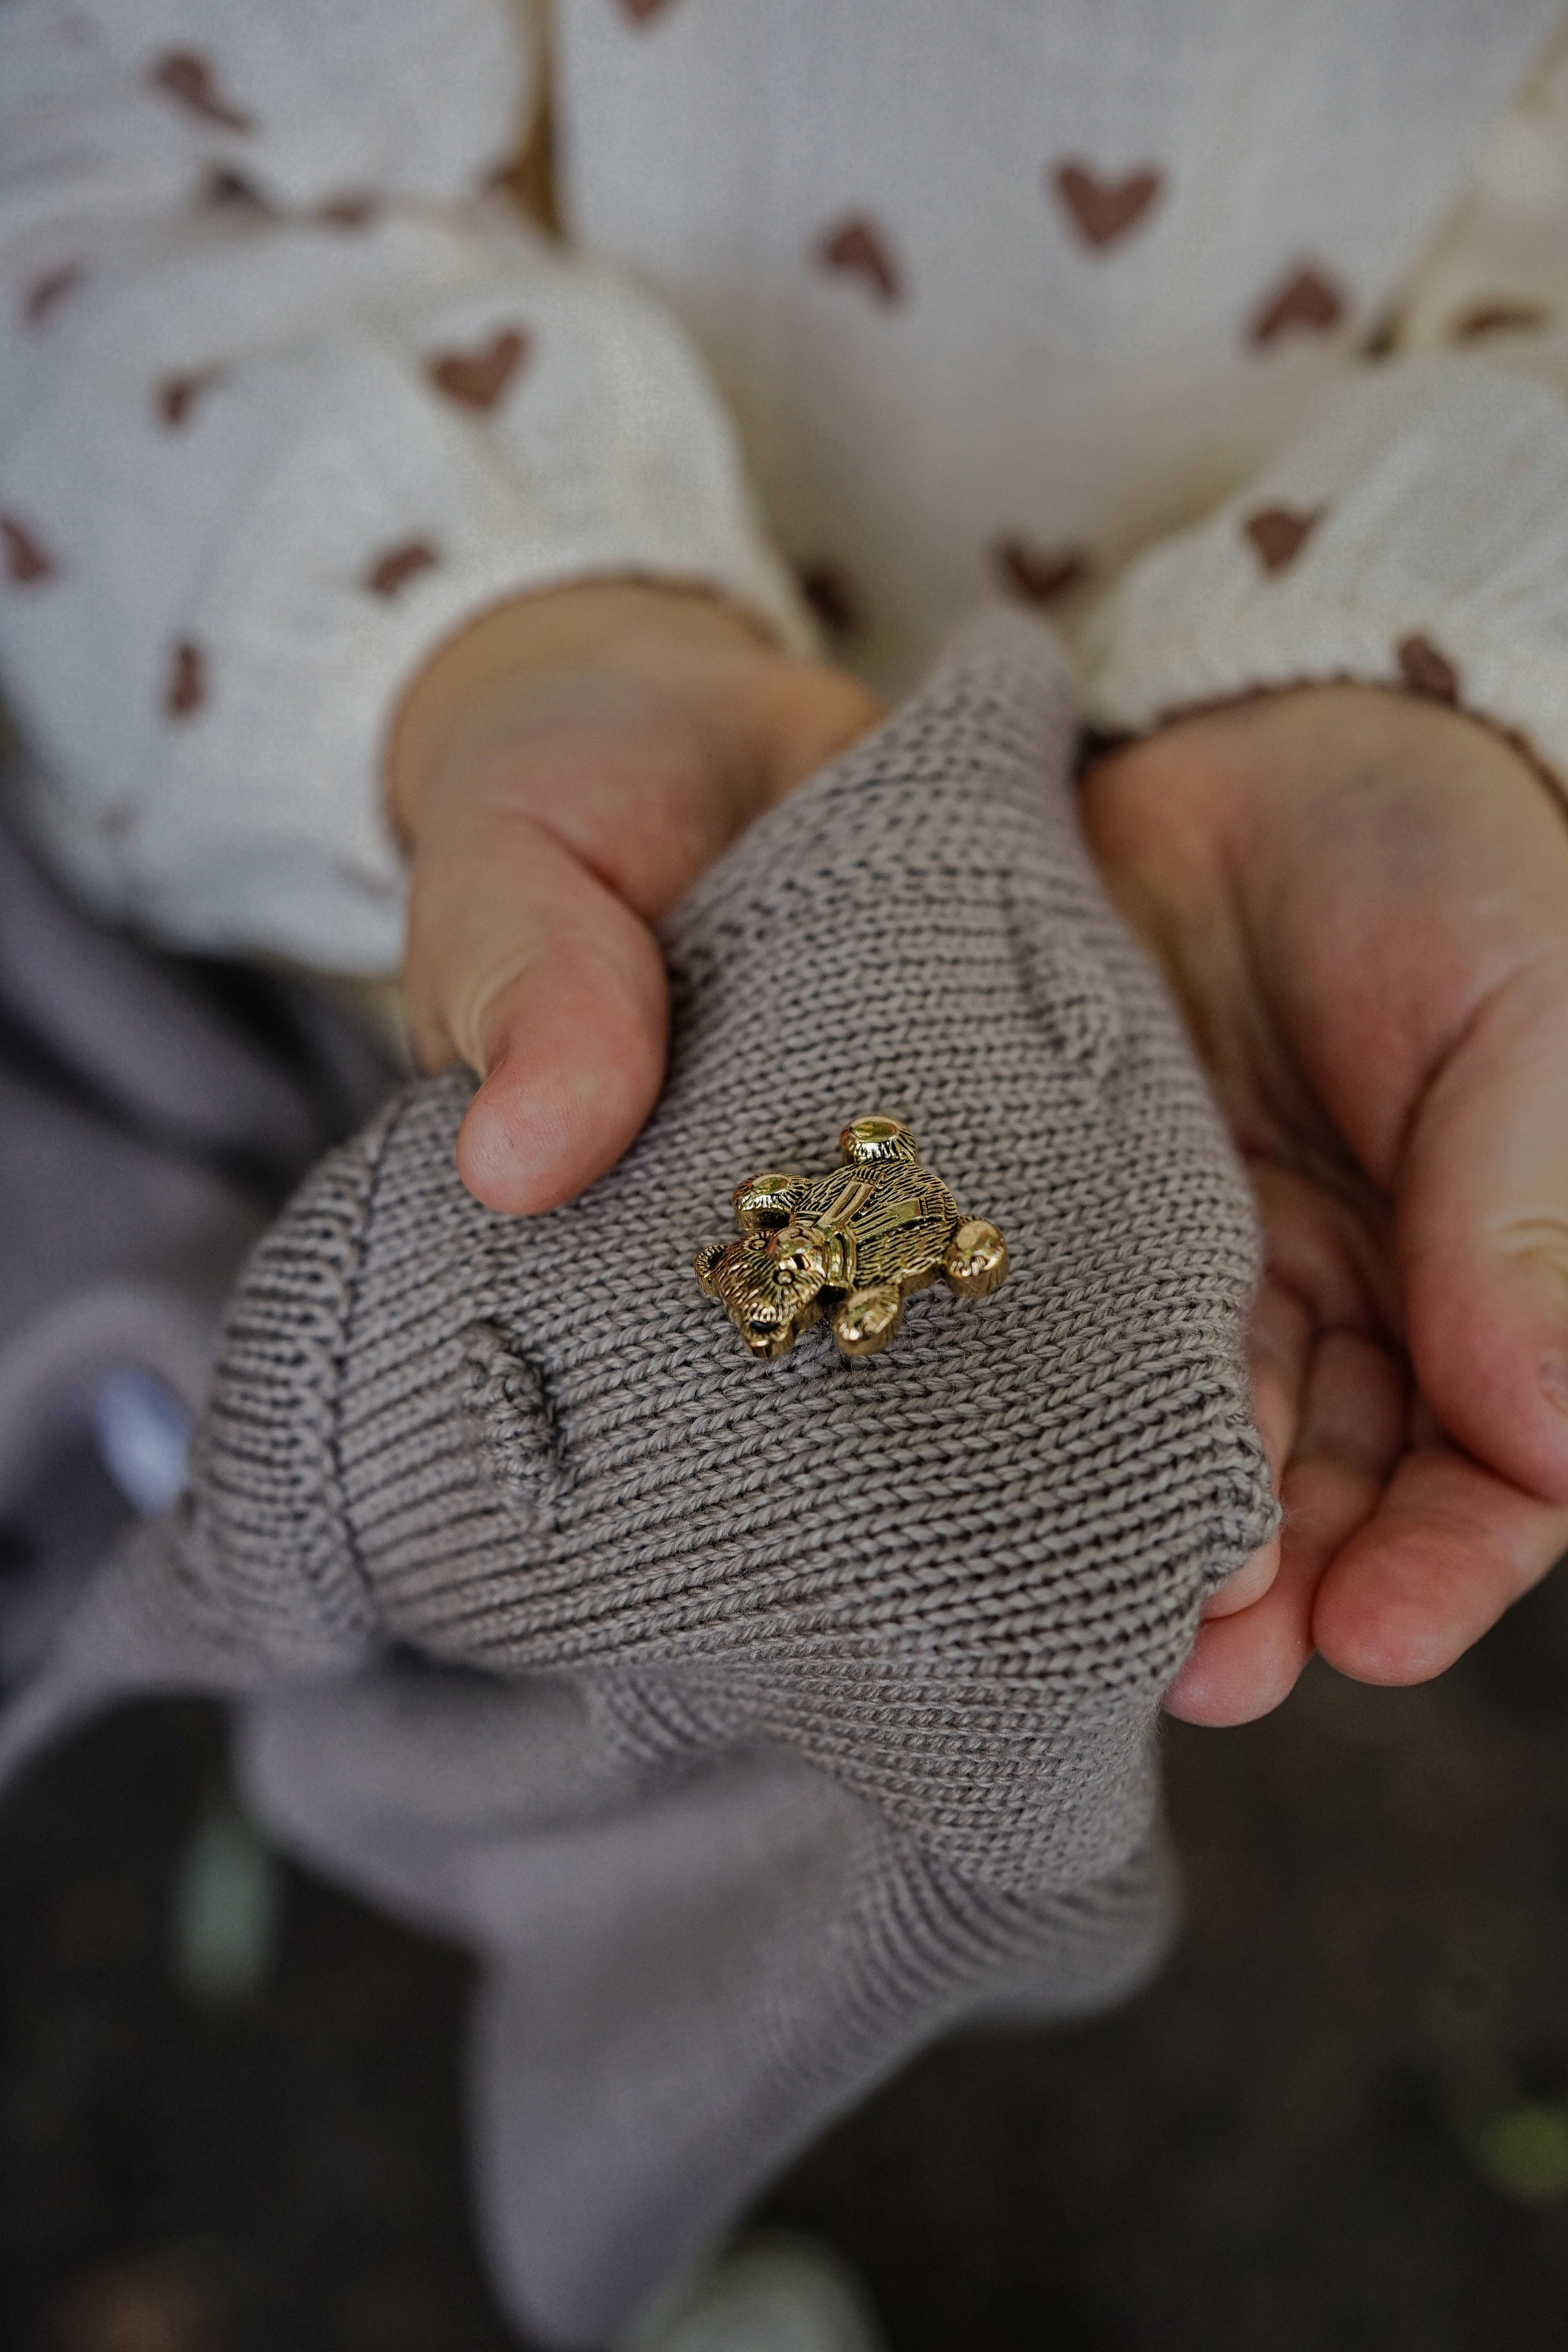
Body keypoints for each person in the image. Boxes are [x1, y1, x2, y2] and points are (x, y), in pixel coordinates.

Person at [4, 0, 1568, 2335]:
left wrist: (1463, 647)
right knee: (474, 1356)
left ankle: (649, 2127)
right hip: (381, 814)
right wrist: (490, 632)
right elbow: (88, 165)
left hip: (1183, 861)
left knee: (866, 1707)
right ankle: (292, 1577)